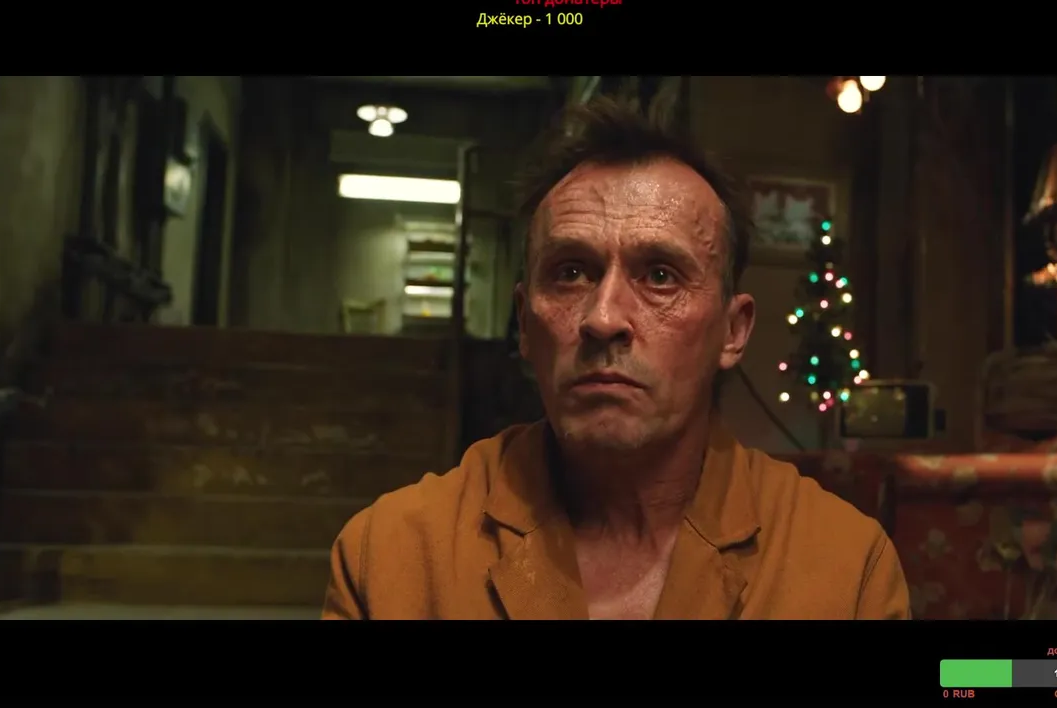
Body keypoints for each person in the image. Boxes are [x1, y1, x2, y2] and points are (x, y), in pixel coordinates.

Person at [323, 99, 911, 620]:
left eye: (660, 276)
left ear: (733, 332)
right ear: (525, 322)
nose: (603, 318)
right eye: (570, 272)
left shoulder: (843, 569)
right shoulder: (393, 557)